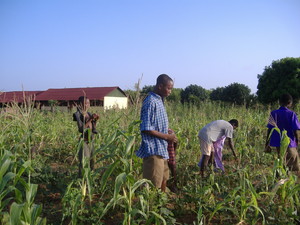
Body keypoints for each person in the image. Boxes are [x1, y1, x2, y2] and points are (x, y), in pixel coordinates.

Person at [136, 74, 177, 192]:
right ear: (160, 86)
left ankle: (160, 206)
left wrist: (168, 132)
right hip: (153, 150)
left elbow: (156, 125)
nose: (170, 91)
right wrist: (168, 137)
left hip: (161, 149)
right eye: (169, 88)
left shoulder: (159, 101)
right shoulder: (150, 102)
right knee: (153, 185)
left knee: (163, 179)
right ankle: (149, 208)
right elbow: (146, 128)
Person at [265, 93, 300, 173]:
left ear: (280, 102)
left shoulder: (273, 113)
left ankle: (281, 174)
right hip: (289, 141)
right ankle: (287, 177)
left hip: (277, 141)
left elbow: (269, 130)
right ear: (289, 103)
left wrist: (267, 143)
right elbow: (295, 129)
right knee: (293, 160)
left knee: (281, 157)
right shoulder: (291, 114)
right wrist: (297, 140)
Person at [73, 96, 99, 177]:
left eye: (88, 103)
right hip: (84, 141)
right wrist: (91, 119)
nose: (87, 105)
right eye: (85, 103)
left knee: (92, 161)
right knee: (85, 161)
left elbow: (93, 129)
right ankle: (82, 180)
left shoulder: (89, 113)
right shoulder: (78, 114)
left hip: (91, 140)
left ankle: (90, 179)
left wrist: (95, 120)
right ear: (80, 104)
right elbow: (81, 129)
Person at [167, 128, 178, 193]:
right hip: (169, 152)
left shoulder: (170, 132)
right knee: (172, 168)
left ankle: (174, 185)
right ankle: (174, 185)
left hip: (169, 152)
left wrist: (173, 152)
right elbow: (176, 142)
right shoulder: (170, 131)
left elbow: (176, 141)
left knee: (172, 168)